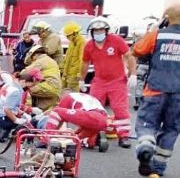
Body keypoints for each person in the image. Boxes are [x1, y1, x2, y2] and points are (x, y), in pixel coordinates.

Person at [133, 5, 180, 178]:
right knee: (172, 127)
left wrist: (154, 31)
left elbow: (138, 50)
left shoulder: (158, 35)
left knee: (147, 122)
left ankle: (146, 144)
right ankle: (158, 165)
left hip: (155, 89)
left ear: (167, 17)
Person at [81, 16, 137, 148]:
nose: (98, 32)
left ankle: (123, 136)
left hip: (117, 81)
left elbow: (129, 56)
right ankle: (92, 134)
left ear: (106, 30)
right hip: (99, 81)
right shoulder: (89, 46)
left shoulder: (116, 40)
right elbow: (84, 63)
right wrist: (81, 80)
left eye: (101, 30)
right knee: (93, 108)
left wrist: (133, 73)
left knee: (120, 108)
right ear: (92, 32)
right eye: (96, 30)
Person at [43, 92, 109, 150]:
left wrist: (55, 132)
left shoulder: (68, 96)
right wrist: (74, 133)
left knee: (56, 111)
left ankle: (45, 139)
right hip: (103, 120)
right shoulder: (87, 97)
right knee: (76, 138)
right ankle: (91, 141)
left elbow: (61, 117)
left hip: (92, 116)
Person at [0, 72, 31, 142]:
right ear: (24, 82)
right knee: (22, 123)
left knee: (19, 116)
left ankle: (0, 127)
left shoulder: (8, 85)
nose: (28, 88)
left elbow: (12, 106)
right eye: (29, 85)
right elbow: (7, 109)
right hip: (1, 117)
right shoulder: (16, 91)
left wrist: (23, 113)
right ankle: (4, 132)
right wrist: (17, 120)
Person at [23, 45, 62, 110]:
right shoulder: (51, 60)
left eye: (32, 58)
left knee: (26, 91)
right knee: (47, 109)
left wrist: (17, 75)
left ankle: (27, 111)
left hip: (47, 86)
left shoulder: (40, 61)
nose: (33, 61)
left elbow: (25, 73)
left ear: (35, 55)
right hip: (56, 88)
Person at [62, 22, 87, 92]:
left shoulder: (82, 42)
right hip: (67, 74)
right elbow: (67, 58)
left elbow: (82, 59)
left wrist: (80, 73)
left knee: (72, 94)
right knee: (64, 93)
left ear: (74, 34)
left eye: (68, 36)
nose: (67, 38)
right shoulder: (72, 42)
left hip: (74, 75)